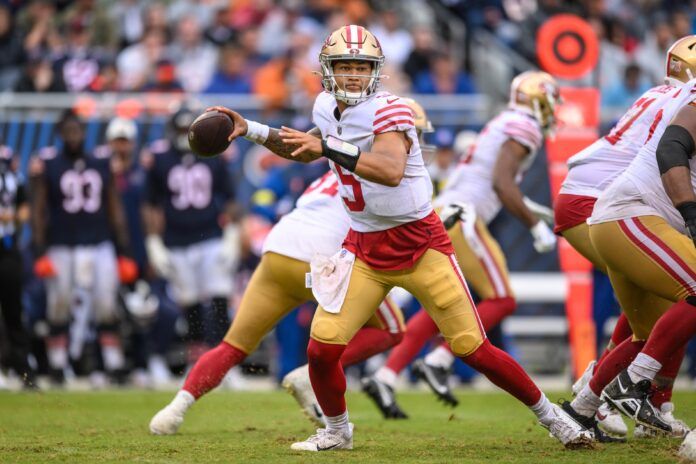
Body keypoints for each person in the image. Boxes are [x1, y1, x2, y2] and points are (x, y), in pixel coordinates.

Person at [205, 25, 591, 451]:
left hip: (420, 244)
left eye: (361, 66)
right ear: (327, 70)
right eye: (344, 66)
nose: (352, 75)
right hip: (365, 246)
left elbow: (389, 171)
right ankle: (337, 431)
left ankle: (554, 418)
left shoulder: (392, 110)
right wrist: (252, 130)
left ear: (376, 71)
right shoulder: (324, 107)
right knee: (321, 350)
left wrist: (330, 148)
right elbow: (302, 147)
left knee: (472, 348)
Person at [363, 71, 559, 418]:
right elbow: (501, 182)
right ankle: (439, 360)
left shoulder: (504, 120)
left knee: (444, 304)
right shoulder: (524, 125)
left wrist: (528, 208)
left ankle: (387, 374)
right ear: (538, 99)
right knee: (501, 298)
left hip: (445, 212)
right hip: (463, 216)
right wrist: (533, 226)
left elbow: (493, 180)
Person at [555, 36, 696, 440]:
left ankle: (584, 407)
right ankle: (639, 390)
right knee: (682, 297)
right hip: (619, 205)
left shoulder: (660, 94)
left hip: (605, 202)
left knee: (653, 324)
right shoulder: (682, 101)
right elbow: (671, 151)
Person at [30, 109, 136, 385]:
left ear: (84, 132)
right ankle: (56, 366)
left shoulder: (100, 162)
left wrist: (123, 249)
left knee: (106, 303)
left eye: (77, 130)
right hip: (62, 243)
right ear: (60, 134)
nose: (73, 136)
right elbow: (39, 208)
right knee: (59, 304)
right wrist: (40, 249)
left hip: (98, 241)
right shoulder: (49, 163)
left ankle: (114, 364)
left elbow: (114, 205)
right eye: (68, 131)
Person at [142, 107, 239, 367]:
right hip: (176, 240)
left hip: (210, 236)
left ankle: (224, 360)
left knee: (220, 296)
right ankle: (199, 361)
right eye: (180, 130)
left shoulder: (213, 154)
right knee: (190, 303)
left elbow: (229, 198)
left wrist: (232, 234)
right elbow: (151, 204)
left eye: (188, 130)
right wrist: (153, 241)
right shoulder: (159, 159)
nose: (184, 135)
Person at [0, 145, 36, 388]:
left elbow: (24, 207)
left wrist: (12, 216)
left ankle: (23, 370)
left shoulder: (10, 169)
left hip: (7, 248)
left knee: (14, 310)